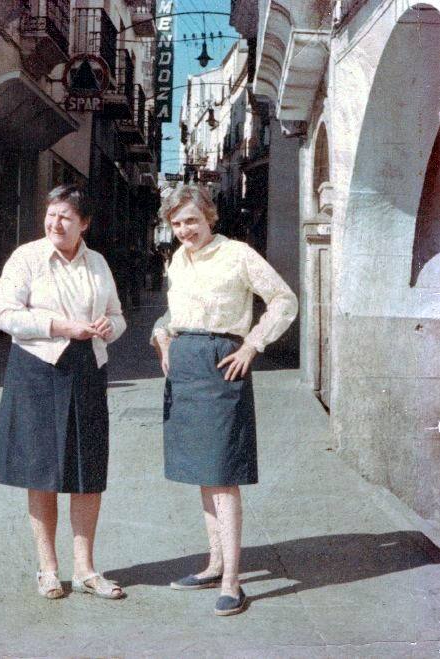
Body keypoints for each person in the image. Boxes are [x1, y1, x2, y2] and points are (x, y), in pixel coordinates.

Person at [152, 184, 298, 616]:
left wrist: (253, 345)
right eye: (176, 224)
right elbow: (175, 311)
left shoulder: (238, 254)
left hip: (221, 362)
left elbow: (284, 300)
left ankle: (233, 581)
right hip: (185, 364)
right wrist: (161, 334)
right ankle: (215, 563)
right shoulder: (178, 258)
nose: (184, 230)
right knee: (202, 469)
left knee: (223, 472)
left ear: (209, 217)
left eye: (191, 221)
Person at [0, 184, 126, 600]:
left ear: (84, 224)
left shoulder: (98, 263)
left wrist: (108, 328)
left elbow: (118, 316)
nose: (55, 223)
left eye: (66, 216)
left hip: (88, 369)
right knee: (42, 470)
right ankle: (48, 569)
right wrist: (60, 327)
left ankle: (86, 570)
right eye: (51, 214)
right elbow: (5, 314)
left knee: (88, 473)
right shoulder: (27, 258)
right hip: (36, 370)